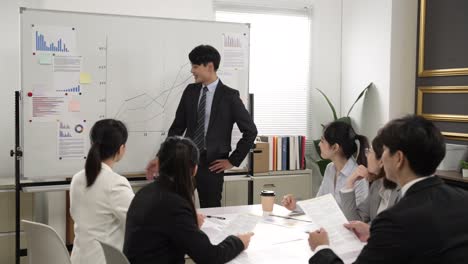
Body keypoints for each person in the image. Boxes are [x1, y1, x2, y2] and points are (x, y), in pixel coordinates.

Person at [308, 115, 468, 264]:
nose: (381, 158)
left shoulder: (394, 220)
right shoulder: (463, 200)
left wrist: (321, 248)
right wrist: (373, 233)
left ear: (398, 158)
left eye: (384, 151)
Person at [148, 44, 257, 208]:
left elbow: (250, 131)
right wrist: (160, 156)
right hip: (185, 161)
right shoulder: (190, 91)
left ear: (210, 66)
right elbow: (177, 128)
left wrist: (232, 161)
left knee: (211, 210)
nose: (192, 71)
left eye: (195, 66)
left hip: (212, 165)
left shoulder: (230, 96)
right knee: (178, 207)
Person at [124, 137, 253, 264]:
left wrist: (190, 223)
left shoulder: (145, 192)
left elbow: (164, 231)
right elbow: (210, 257)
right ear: (195, 169)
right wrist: (238, 242)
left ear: (160, 163)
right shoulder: (174, 204)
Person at [70, 119, 134, 264]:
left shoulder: (77, 179)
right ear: (121, 149)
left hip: (78, 259)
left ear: (93, 144)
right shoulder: (115, 184)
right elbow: (138, 222)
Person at [282, 121, 369, 211]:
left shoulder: (358, 177)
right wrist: (295, 206)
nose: (319, 144)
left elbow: (360, 217)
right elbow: (319, 203)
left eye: (322, 141)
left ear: (335, 147)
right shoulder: (330, 168)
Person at [339, 132, 399, 223]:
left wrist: (368, 228)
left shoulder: (402, 191)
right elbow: (354, 221)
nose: (366, 155)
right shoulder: (377, 185)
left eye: (370, 151)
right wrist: (350, 182)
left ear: (381, 161)